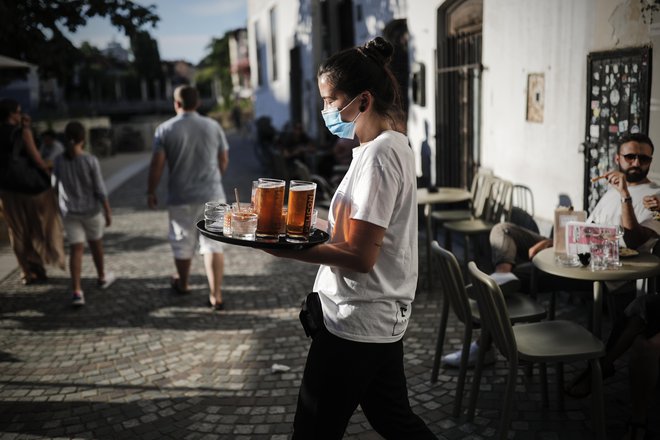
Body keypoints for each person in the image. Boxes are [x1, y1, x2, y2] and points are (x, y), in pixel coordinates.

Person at [263, 37, 437, 439]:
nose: (325, 110)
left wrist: (283, 248)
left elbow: (361, 256)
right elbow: (362, 228)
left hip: (358, 319)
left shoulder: (381, 154)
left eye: (330, 100)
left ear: (363, 100)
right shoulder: (376, 149)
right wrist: (308, 223)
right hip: (371, 316)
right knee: (395, 420)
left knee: (312, 430)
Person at [442, 132, 660, 368]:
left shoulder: (654, 196)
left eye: (644, 159)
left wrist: (625, 195)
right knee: (504, 230)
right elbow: (589, 229)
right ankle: (503, 273)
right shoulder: (611, 188)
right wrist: (554, 242)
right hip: (577, 253)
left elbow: (635, 240)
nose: (637, 163)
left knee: (504, 285)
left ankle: (484, 344)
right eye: (630, 157)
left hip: (598, 271)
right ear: (618, 158)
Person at [147, 85, 230, 310]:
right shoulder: (213, 126)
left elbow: (157, 165)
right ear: (199, 103)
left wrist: (151, 191)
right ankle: (216, 295)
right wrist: (215, 179)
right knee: (213, 244)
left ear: (176, 104)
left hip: (180, 196)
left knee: (182, 241)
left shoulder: (164, 130)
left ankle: (183, 284)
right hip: (213, 194)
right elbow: (223, 159)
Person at [0, 98, 65, 284]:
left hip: (6, 188)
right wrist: (48, 169)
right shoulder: (22, 132)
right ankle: (38, 265)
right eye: (19, 111)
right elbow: (37, 159)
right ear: (12, 115)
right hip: (29, 188)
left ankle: (25, 271)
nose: (21, 115)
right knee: (37, 226)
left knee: (16, 231)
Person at [53, 122, 115, 306]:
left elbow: (54, 187)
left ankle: (77, 291)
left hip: (70, 212)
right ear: (83, 139)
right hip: (91, 211)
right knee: (96, 245)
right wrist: (108, 211)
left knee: (76, 250)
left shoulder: (58, 160)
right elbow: (100, 189)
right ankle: (102, 276)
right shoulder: (89, 160)